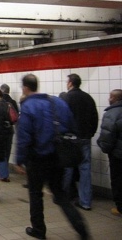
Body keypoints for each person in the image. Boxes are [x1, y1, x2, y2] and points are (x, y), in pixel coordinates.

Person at [15, 74, 89, 240]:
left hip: (37, 159)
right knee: (61, 195)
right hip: (58, 157)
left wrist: (19, 160)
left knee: (35, 195)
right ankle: (82, 229)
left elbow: (24, 137)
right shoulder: (58, 103)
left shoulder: (28, 106)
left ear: (25, 88)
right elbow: (72, 127)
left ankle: (39, 230)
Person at [63, 73, 99, 211]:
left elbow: (62, 118)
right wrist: (90, 133)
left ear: (71, 83)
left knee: (67, 168)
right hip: (85, 138)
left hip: (70, 139)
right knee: (85, 169)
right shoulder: (88, 98)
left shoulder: (67, 98)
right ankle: (85, 201)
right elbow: (95, 118)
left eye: (68, 82)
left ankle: (64, 196)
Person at [97, 89, 122, 216]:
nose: (108, 99)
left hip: (117, 154)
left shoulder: (112, 113)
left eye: (110, 97)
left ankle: (120, 207)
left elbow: (107, 134)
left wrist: (104, 147)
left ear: (115, 98)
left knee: (117, 179)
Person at [0, 88, 17, 182]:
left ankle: (3, 175)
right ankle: (3, 171)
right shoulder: (9, 104)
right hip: (9, 131)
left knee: (0, 152)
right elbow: (15, 118)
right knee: (7, 152)